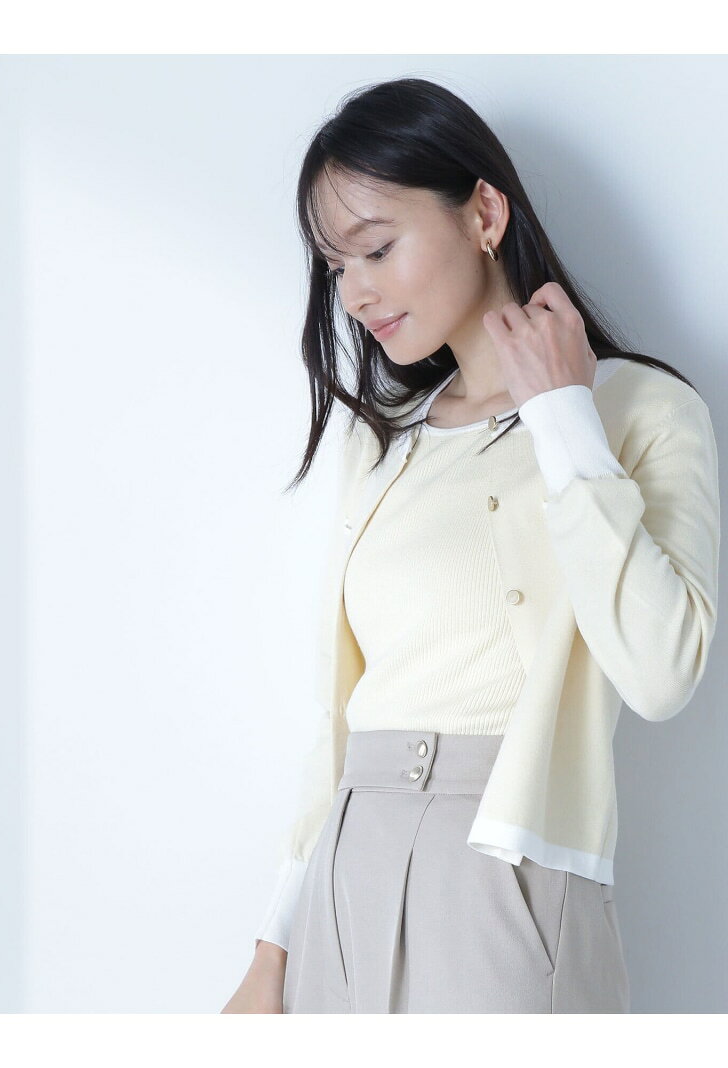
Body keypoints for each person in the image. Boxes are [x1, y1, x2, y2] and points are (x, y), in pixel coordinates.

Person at [221, 77, 720, 1013]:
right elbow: (340, 722)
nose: (354, 292)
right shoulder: (380, 442)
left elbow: (662, 674)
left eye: (377, 248)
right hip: (342, 878)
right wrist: (271, 950)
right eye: (335, 266)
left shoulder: (643, 413)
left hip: (506, 873)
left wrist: (563, 414)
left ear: (484, 212)